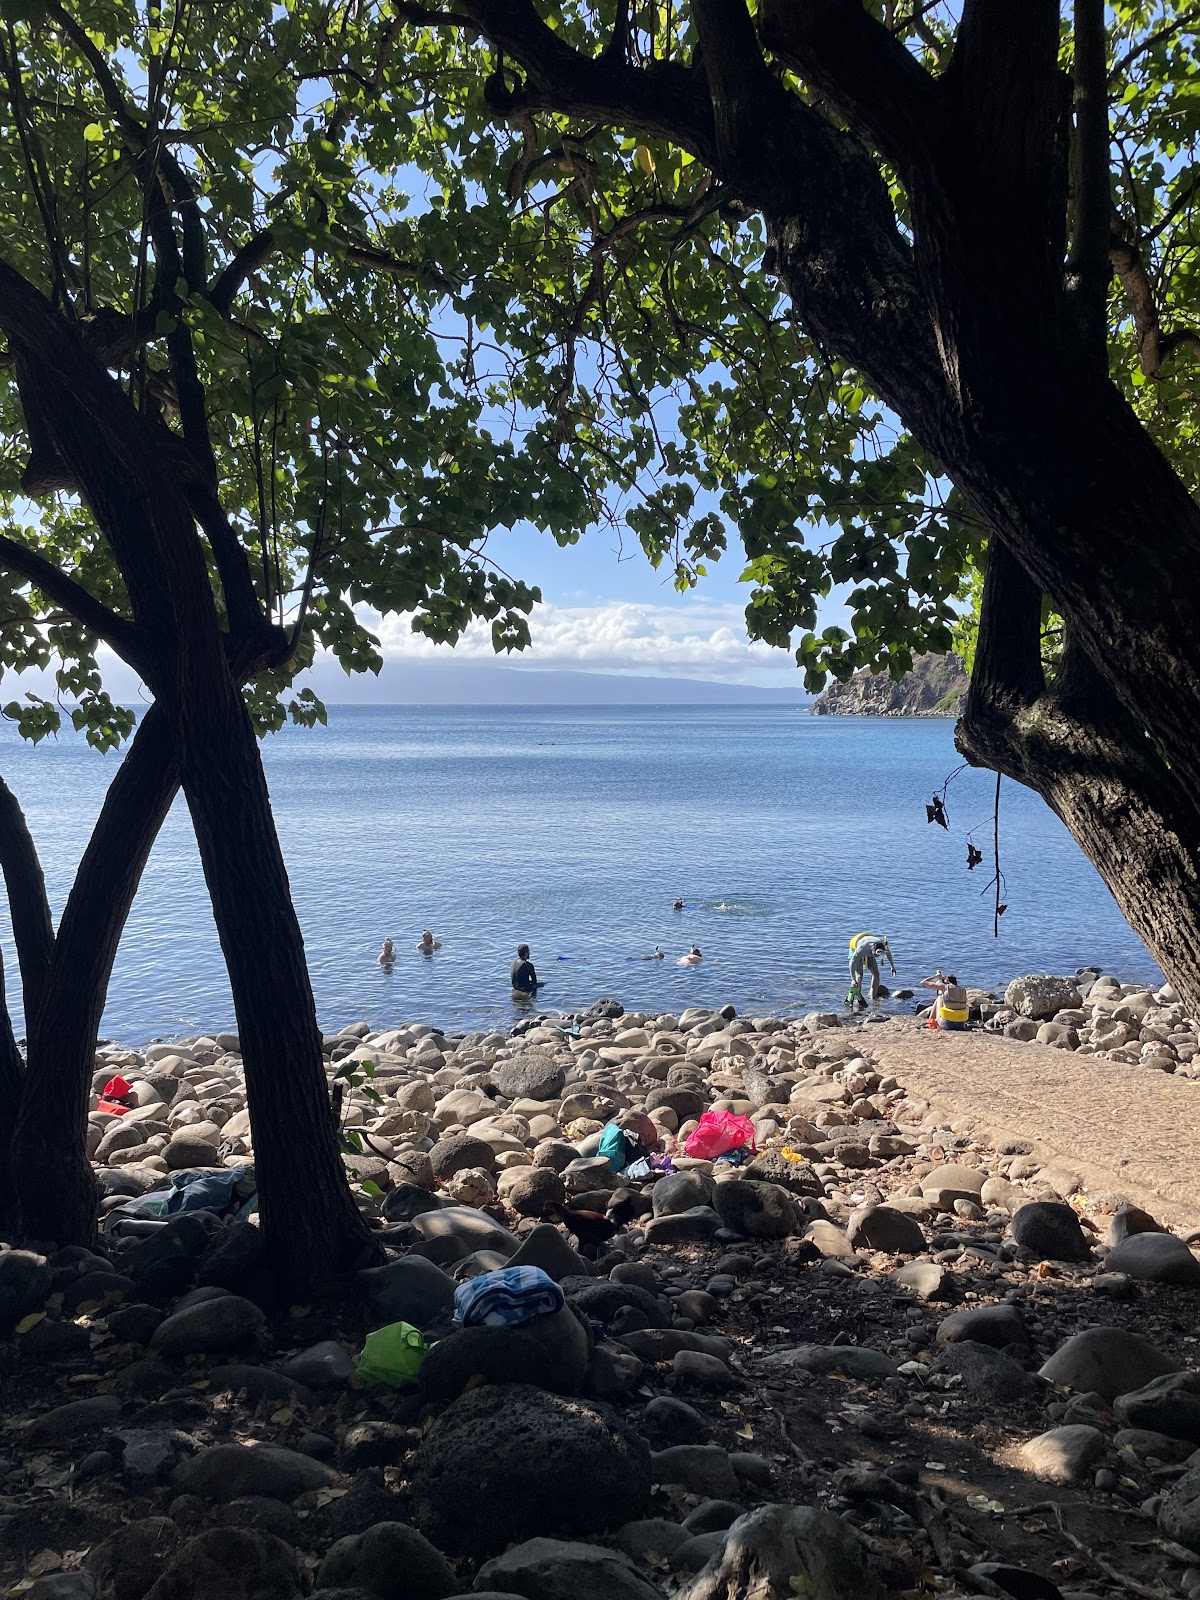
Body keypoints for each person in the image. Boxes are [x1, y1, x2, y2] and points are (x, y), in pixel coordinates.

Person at [847, 932, 895, 1008]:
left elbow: (889, 954)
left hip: (870, 948)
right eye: (876, 954)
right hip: (855, 946)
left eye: (879, 955)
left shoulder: (883, 946)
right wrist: (852, 979)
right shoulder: (862, 948)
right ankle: (858, 998)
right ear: (873, 950)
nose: (877, 956)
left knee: (876, 974)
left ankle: (873, 997)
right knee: (859, 976)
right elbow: (852, 962)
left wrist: (892, 966)